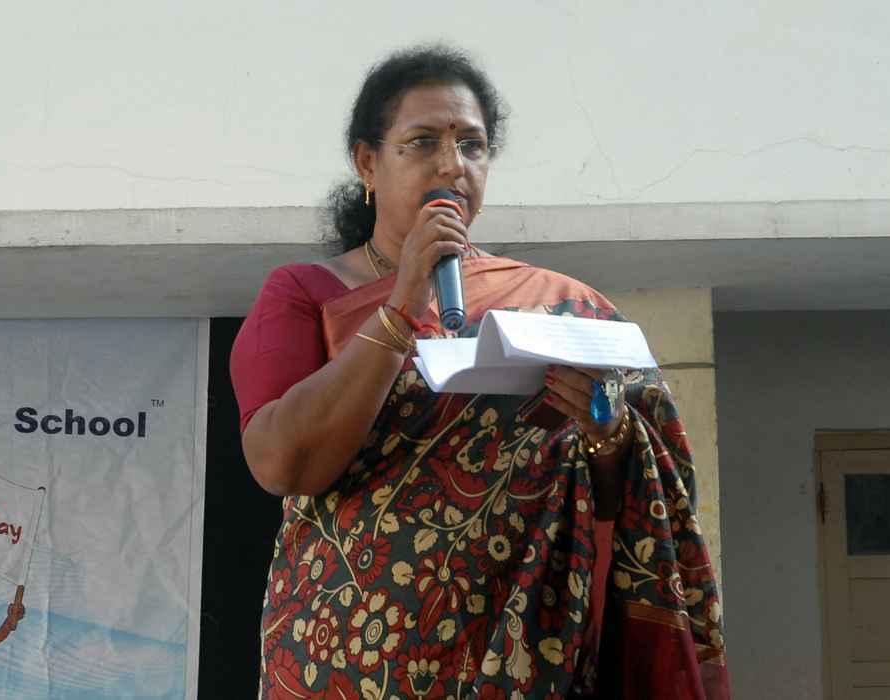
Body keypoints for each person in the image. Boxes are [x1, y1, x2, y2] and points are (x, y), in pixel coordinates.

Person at [231, 44, 729, 699]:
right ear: (367, 162)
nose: (451, 165)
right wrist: (402, 305)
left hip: (525, 653)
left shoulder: (561, 307)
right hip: (349, 658)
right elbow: (281, 463)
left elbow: (632, 502)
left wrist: (606, 435)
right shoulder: (304, 293)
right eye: (422, 143)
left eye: (472, 145)